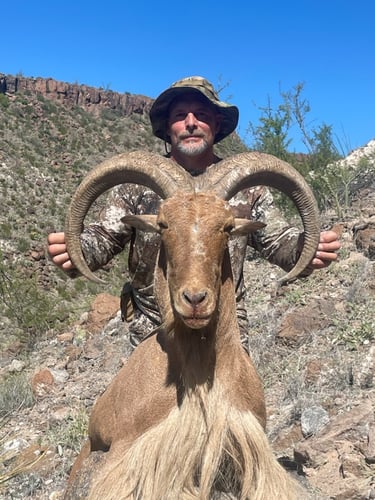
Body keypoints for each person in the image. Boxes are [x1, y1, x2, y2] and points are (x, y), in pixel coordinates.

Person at [47, 76, 340, 350]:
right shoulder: (135, 187)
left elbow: (279, 242)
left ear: (217, 123)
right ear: (167, 128)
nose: (190, 123)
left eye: (201, 114)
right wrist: (75, 251)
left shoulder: (248, 189)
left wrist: (307, 248)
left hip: (224, 333)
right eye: (179, 116)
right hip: (154, 332)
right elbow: (103, 237)